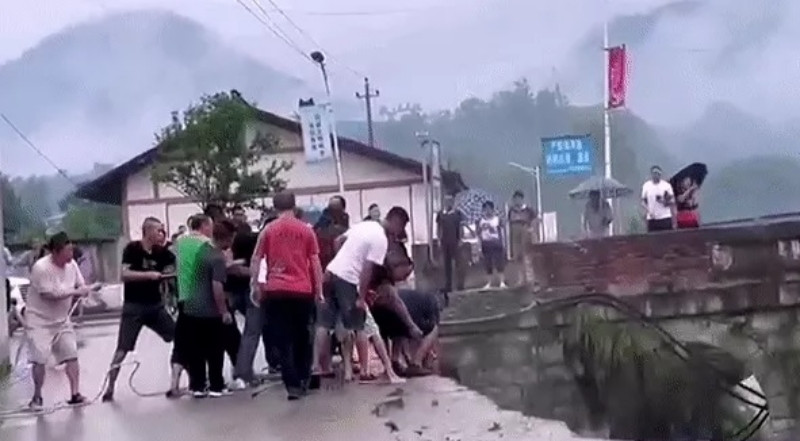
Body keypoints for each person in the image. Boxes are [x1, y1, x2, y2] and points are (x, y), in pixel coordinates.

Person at [313, 206, 409, 384]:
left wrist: (341, 261)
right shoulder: (380, 240)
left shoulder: (365, 225)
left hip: (331, 272)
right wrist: (361, 297)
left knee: (324, 324)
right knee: (360, 325)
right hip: (348, 280)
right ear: (396, 222)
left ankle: (317, 367)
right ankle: (379, 371)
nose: (398, 234)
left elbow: (338, 241)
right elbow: (367, 269)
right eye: (400, 228)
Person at [257, 192, 324, 400]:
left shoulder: (268, 230)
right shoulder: (306, 230)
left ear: (274, 207)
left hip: (276, 289)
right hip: (302, 289)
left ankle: (291, 384)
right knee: (303, 336)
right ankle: (303, 377)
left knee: (282, 338)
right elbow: (315, 262)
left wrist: (256, 286)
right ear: (294, 206)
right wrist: (319, 290)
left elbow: (257, 259)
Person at [102, 218, 177, 402]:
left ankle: (185, 381)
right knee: (122, 348)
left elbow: (174, 267)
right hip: (134, 307)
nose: (161, 234)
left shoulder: (162, 253)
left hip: (155, 306)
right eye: (158, 231)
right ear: (148, 231)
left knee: (180, 337)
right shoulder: (132, 249)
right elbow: (125, 274)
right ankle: (110, 387)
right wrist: (148, 275)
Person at [25, 232, 101, 409]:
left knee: (71, 353)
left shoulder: (72, 265)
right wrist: (75, 292)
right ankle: (37, 397)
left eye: (71, 250)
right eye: (67, 251)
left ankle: (75, 394)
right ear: (56, 252)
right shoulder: (41, 268)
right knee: (40, 358)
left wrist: (87, 290)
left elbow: (80, 285)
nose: (71, 255)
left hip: (61, 319)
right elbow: (48, 294)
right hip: (39, 320)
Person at [182, 218, 236, 398]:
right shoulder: (217, 257)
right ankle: (216, 386)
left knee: (196, 350)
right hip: (209, 309)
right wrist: (224, 311)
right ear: (227, 238)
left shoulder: (202, 250)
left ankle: (197, 386)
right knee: (215, 349)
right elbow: (217, 286)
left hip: (192, 306)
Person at [168, 214, 214, 397]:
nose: (211, 230)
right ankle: (201, 383)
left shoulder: (179, 242)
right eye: (210, 226)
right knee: (203, 342)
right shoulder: (206, 244)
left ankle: (184, 383)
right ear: (204, 226)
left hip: (183, 296)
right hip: (201, 297)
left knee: (184, 340)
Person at [507, 190, 537, 286]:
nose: (517, 201)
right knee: (518, 257)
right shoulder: (511, 211)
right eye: (515, 199)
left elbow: (535, 220)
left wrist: (531, 229)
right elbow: (510, 223)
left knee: (527, 256)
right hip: (515, 235)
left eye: (519, 199)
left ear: (522, 199)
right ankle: (521, 279)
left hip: (525, 233)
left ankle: (530, 279)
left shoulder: (528, 210)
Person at [436, 195, 464, 296]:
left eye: (450, 201)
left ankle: (460, 285)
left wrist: (460, 239)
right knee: (447, 264)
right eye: (446, 201)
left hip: (455, 241)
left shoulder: (457, 213)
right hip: (445, 241)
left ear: (453, 202)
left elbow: (460, 227)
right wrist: (439, 239)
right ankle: (448, 285)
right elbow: (439, 227)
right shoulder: (441, 214)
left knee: (458, 263)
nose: (448, 203)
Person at [476, 201, 507, 289]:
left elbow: (502, 232)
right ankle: (489, 282)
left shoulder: (497, 219)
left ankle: (502, 282)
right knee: (487, 264)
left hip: (496, 243)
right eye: (485, 209)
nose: (487, 211)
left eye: (489, 209)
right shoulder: (480, 221)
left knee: (499, 263)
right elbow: (478, 233)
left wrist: (504, 243)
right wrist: (479, 246)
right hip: (486, 243)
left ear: (492, 209)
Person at [641, 165, 676, 232]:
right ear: (651, 174)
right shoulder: (646, 186)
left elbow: (673, 201)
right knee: (653, 237)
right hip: (652, 218)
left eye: (658, 173)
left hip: (665, 217)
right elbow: (643, 202)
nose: (656, 175)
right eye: (654, 173)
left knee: (666, 236)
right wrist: (649, 211)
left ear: (660, 174)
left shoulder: (666, 186)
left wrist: (664, 201)